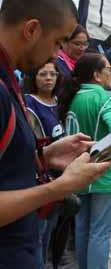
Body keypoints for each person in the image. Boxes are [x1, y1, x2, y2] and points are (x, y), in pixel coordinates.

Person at [0, 0, 111, 268]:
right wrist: (59, 188)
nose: (58, 54)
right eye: (59, 41)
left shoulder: (8, 78)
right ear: (32, 29)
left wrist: (45, 155)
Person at [59, 54, 111, 269]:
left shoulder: (73, 97)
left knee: (83, 229)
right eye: (109, 68)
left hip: (78, 172)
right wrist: (97, 149)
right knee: (100, 232)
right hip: (103, 173)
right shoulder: (103, 99)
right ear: (97, 75)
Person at [23, 61, 65, 269]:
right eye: (43, 74)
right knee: (39, 234)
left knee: (51, 231)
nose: (48, 78)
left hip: (59, 177)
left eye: (52, 74)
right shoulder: (29, 104)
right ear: (33, 77)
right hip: (39, 179)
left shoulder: (59, 101)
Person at [55, 25, 90, 97]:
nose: (82, 48)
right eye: (77, 44)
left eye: (85, 44)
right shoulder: (55, 64)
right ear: (63, 42)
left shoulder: (85, 64)